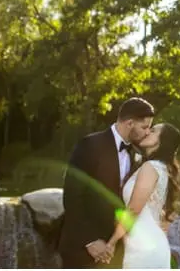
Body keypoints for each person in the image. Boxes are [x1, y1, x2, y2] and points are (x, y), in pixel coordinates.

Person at [58, 97, 155, 268]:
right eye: (144, 127)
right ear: (130, 123)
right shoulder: (89, 145)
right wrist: (90, 241)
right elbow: (73, 196)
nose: (147, 132)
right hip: (83, 250)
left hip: (116, 252)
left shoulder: (138, 155)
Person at [105, 122, 180, 269]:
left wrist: (112, 242)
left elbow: (134, 210)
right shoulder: (156, 167)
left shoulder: (151, 167)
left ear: (162, 141)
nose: (147, 132)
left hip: (145, 251)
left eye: (153, 131)